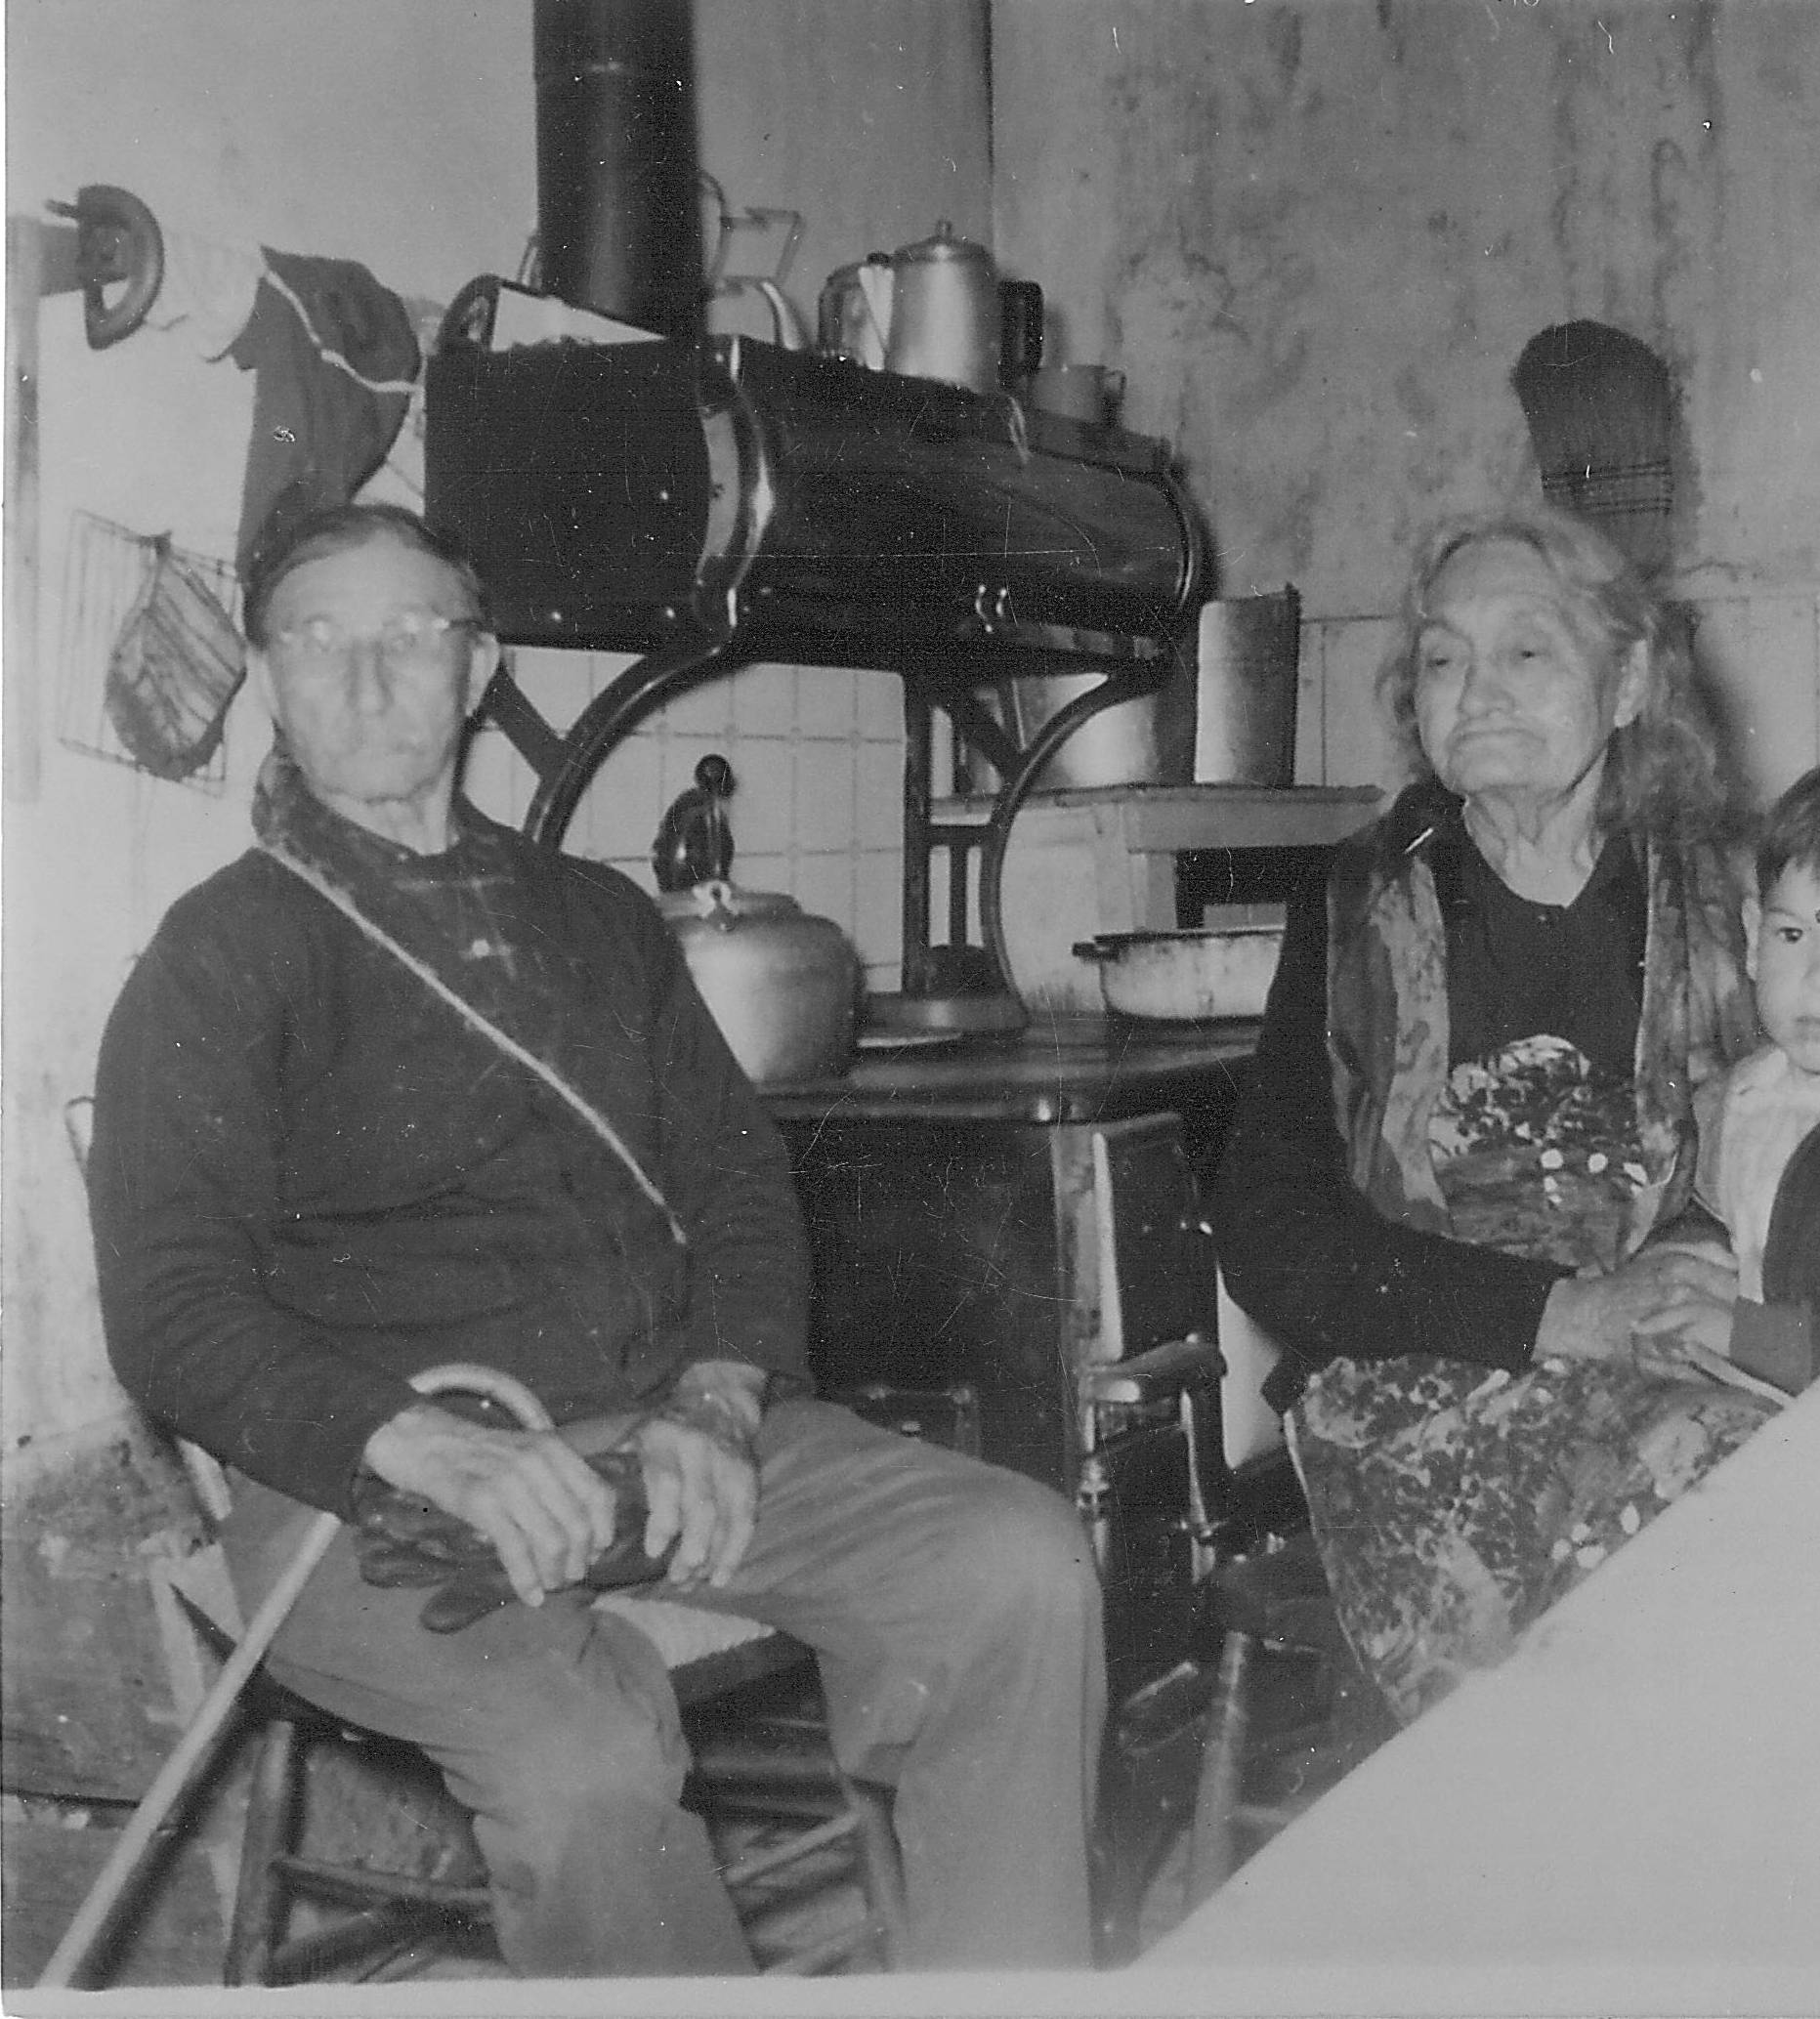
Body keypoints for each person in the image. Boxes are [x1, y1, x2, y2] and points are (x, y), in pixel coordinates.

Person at [86, 502, 1105, 1977]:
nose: (365, 678)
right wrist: (437, 1451)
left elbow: (740, 1184)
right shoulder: (220, 952)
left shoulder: (599, 917)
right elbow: (169, 1306)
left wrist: (719, 1398)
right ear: (269, 678)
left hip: (660, 1432)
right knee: (583, 1766)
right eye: (316, 639)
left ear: (478, 666)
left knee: (1017, 1564)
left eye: (409, 634)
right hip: (373, 1485)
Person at [1212, 503, 1782, 1726]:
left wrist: (1706, 1252)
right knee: (1719, 1519)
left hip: (1674, 1349)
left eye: (1526, 650)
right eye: (1442, 658)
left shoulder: (1728, 900)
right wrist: (1561, 1313)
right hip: (1414, 1384)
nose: (1475, 691)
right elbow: (1266, 1232)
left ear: (1626, 682)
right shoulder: (1357, 906)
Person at [1638, 748, 1820, 1396]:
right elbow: (1706, 1211)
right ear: (1752, 937)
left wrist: (1746, 1336)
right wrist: (1679, 1265)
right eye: (1793, 936)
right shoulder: (1738, 1094)